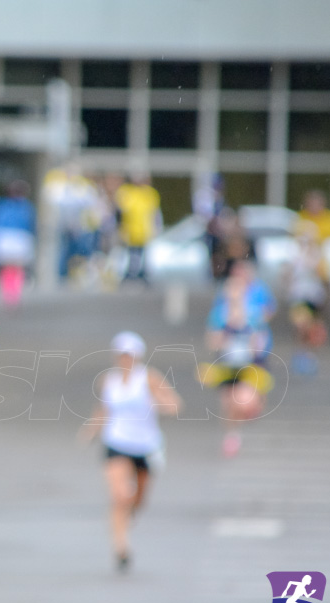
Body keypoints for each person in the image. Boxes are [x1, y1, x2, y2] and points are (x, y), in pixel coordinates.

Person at [79, 332, 182, 573]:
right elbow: (103, 410)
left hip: (146, 445)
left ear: (137, 356)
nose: (125, 359)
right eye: (122, 355)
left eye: (129, 355)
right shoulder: (108, 381)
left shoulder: (149, 378)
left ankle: (128, 517)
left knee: (138, 499)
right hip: (116, 442)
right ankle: (121, 548)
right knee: (120, 495)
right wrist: (91, 430)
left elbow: (174, 403)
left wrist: (163, 405)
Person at [200, 267, 276, 457]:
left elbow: (260, 340)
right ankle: (232, 435)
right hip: (226, 364)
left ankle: (252, 407)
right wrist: (227, 331)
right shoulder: (219, 313)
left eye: (238, 290)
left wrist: (246, 333)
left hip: (249, 365)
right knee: (228, 404)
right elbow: (212, 341)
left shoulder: (253, 313)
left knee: (242, 400)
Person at [284, 224, 330, 376]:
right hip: (299, 296)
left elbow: (324, 277)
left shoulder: (319, 258)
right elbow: (288, 276)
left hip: (314, 297)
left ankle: (310, 356)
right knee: (301, 326)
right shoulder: (295, 257)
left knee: (313, 328)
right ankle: (301, 355)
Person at [0, 179, 36, 306]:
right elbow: (31, 225)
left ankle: (7, 294)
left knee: (4, 269)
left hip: (2, 237)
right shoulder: (26, 207)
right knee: (17, 268)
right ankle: (14, 294)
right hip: (18, 238)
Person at [115, 173, 162, 285]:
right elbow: (120, 212)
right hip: (131, 231)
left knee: (143, 255)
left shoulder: (149, 194)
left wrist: (157, 227)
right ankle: (129, 275)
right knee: (131, 255)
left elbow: (154, 213)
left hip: (144, 231)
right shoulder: (127, 192)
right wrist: (121, 228)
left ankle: (143, 275)